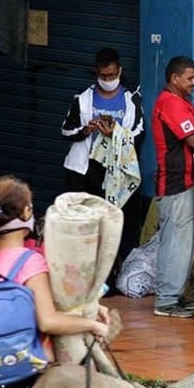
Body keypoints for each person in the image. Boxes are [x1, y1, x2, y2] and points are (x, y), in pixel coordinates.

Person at [0, 175, 110, 388]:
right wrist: (92, 325)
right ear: (25, 214)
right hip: (33, 379)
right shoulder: (30, 261)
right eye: (31, 208)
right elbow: (48, 320)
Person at [61, 47, 144, 287]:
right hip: (82, 172)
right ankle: (77, 278)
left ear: (120, 71)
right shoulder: (82, 98)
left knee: (110, 227)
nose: (107, 80)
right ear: (96, 73)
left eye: (111, 75)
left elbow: (139, 132)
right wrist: (85, 130)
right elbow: (66, 130)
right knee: (81, 226)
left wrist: (115, 132)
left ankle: (106, 279)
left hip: (114, 173)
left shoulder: (132, 98)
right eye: (103, 76)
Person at [151, 55, 194, 318]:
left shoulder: (184, 103)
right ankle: (165, 300)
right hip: (175, 182)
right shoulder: (170, 103)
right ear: (174, 79)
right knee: (176, 241)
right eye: (190, 78)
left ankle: (173, 294)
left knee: (186, 241)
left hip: (189, 181)